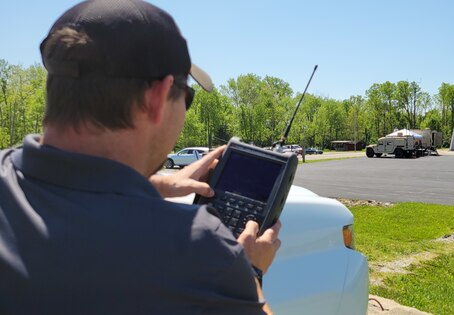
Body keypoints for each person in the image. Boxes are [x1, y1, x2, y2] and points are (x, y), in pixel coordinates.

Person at [0, 1, 280, 314]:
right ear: (157, 98)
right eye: (186, 98)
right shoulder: (200, 251)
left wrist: (156, 185)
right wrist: (249, 271)